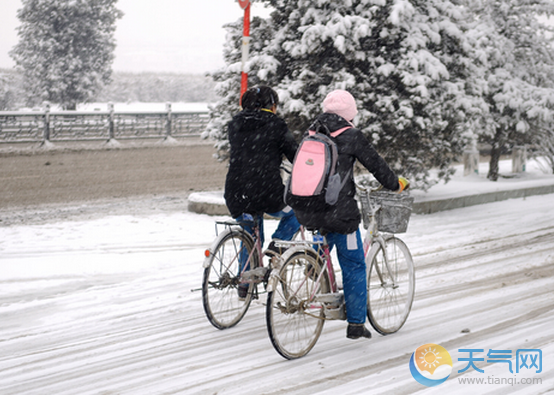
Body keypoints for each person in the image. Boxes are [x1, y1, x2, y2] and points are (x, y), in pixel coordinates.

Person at [293, 89, 409, 340]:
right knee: (355, 264)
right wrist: (394, 184)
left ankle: (317, 265)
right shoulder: (351, 135)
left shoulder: (311, 132)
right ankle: (356, 323)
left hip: (308, 208)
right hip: (339, 213)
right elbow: (377, 165)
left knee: (325, 234)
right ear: (349, 115)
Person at [224, 86, 301, 297]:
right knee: (297, 212)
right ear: (271, 106)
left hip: (236, 191)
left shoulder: (234, 124)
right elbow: (295, 155)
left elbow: (249, 151)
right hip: (266, 190)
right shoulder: (276, 125)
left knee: (249, 231)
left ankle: (245, 282)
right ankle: (276, 246)